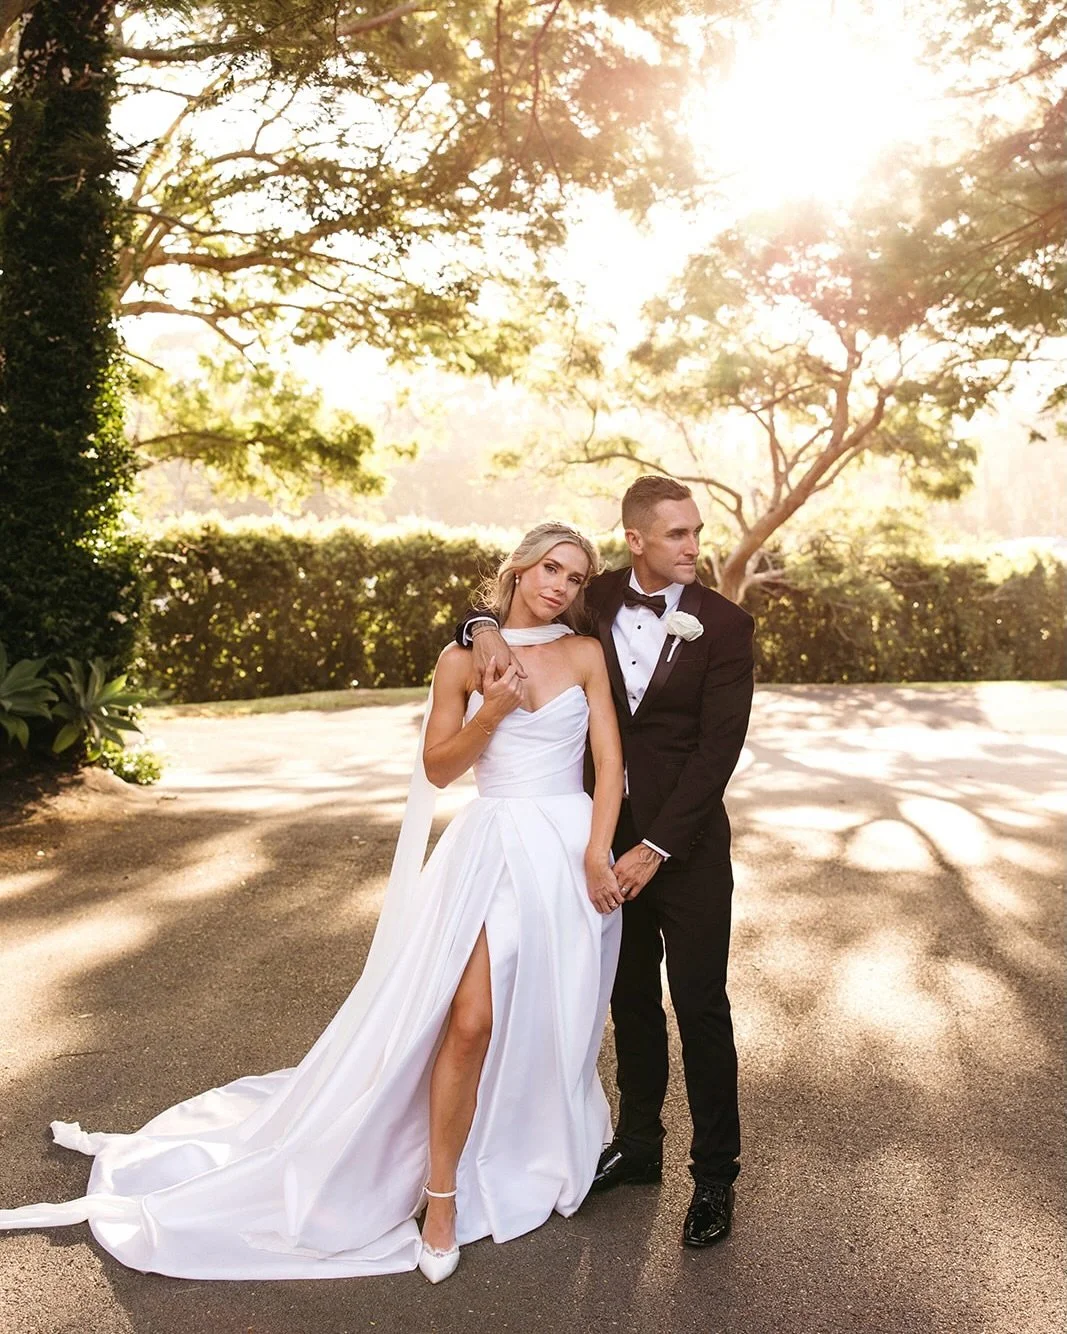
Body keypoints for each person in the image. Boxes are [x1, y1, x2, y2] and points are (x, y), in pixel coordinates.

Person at [0, 523, 625, 1285]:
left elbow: (608, 765)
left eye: (575, 577)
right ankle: (440, 1196)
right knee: (467, 1021)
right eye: (550, 569)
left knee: (548, 1015)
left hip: (564, 850)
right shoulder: (462, 657)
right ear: (520, 570)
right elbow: (436, 768)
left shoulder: (585, 654)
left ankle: (526, 1145)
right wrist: (489, 714)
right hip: (490, 850)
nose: (561, 585)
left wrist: (597, 854)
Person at [457, 476, 754, 1247]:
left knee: (700, 1008)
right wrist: (480, 628)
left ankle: (715, 1178)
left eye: (696, 532)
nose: (693, 546)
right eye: (677, 535)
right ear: (636, 540)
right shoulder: (592, 597)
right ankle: (639, 1146)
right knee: (626, 1003)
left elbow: (717, 751)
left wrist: (655, 849)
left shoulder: (725, 625)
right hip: (592, 846)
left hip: (682, 853)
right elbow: (507, 610)